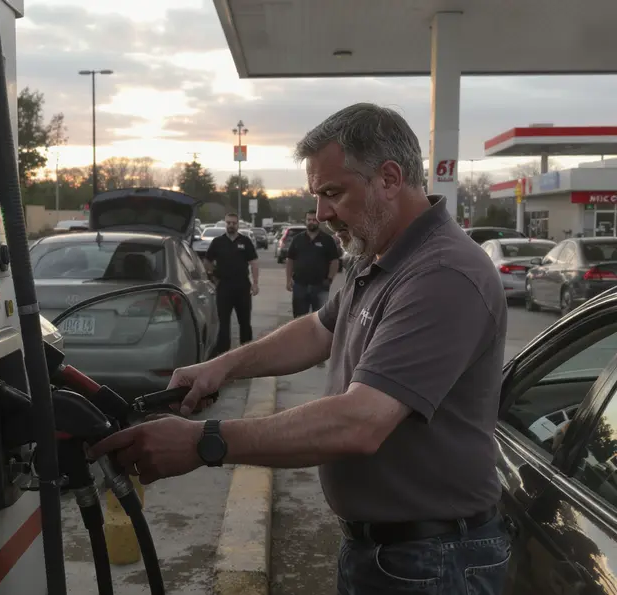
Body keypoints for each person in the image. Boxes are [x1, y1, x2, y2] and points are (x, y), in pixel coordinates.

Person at [89, 103, 510, 594]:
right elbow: (318, 330)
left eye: (333, 193)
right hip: (388, 552)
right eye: (318, 196)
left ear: (390, 179)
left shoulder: (443, 274)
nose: (321, 214)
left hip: (434, 562)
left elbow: (361, 422)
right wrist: (222, 366)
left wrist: (204, 441)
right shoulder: (378, 252)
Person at [203, 213, 259, 357]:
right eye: (228, 223)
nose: (231, 225)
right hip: (224, 287)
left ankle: (247, 353)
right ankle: (223, 355)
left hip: (242, 287)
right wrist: (213, 275)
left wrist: (255, 283)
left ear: (238, 224)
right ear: (225, 224)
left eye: (234, 223)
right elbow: (207, 261)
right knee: (223, 323)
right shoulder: (218, 242)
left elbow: (254, 262)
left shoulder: (245, 241)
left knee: (245, 322)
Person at [286, 210, 340, 317]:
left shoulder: (327, 240)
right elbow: (290, 260)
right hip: (300, 285)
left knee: (320, 318)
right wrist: (288, 280)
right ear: (305, 221)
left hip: (320, 286)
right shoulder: (297, 239)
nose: (311, 222)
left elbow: (334, 261)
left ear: (319, 221)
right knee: (299, 319)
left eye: (314, 220)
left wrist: (329, 279)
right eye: (309, 220)